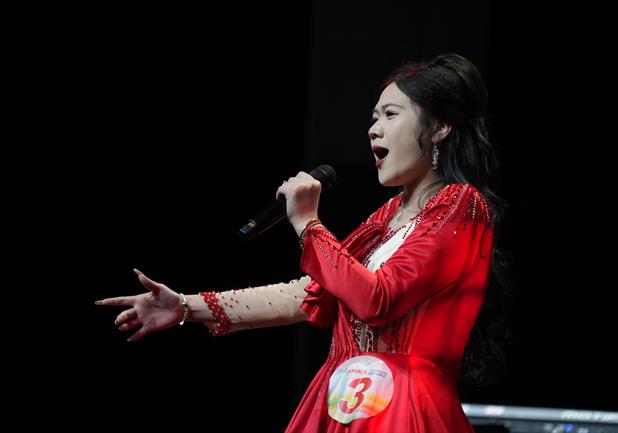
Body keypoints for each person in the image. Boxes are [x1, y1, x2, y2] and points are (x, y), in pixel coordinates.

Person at [96, 52, 508, 433]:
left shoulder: (461, 204)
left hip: (403, 406)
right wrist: (187, 306)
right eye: (373, 117)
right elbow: (309, 294)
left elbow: (377, 299)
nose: (374, 128)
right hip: (343, 400)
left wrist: (309, 223)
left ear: (439, 126)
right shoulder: (386, 217)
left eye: (390, 114)